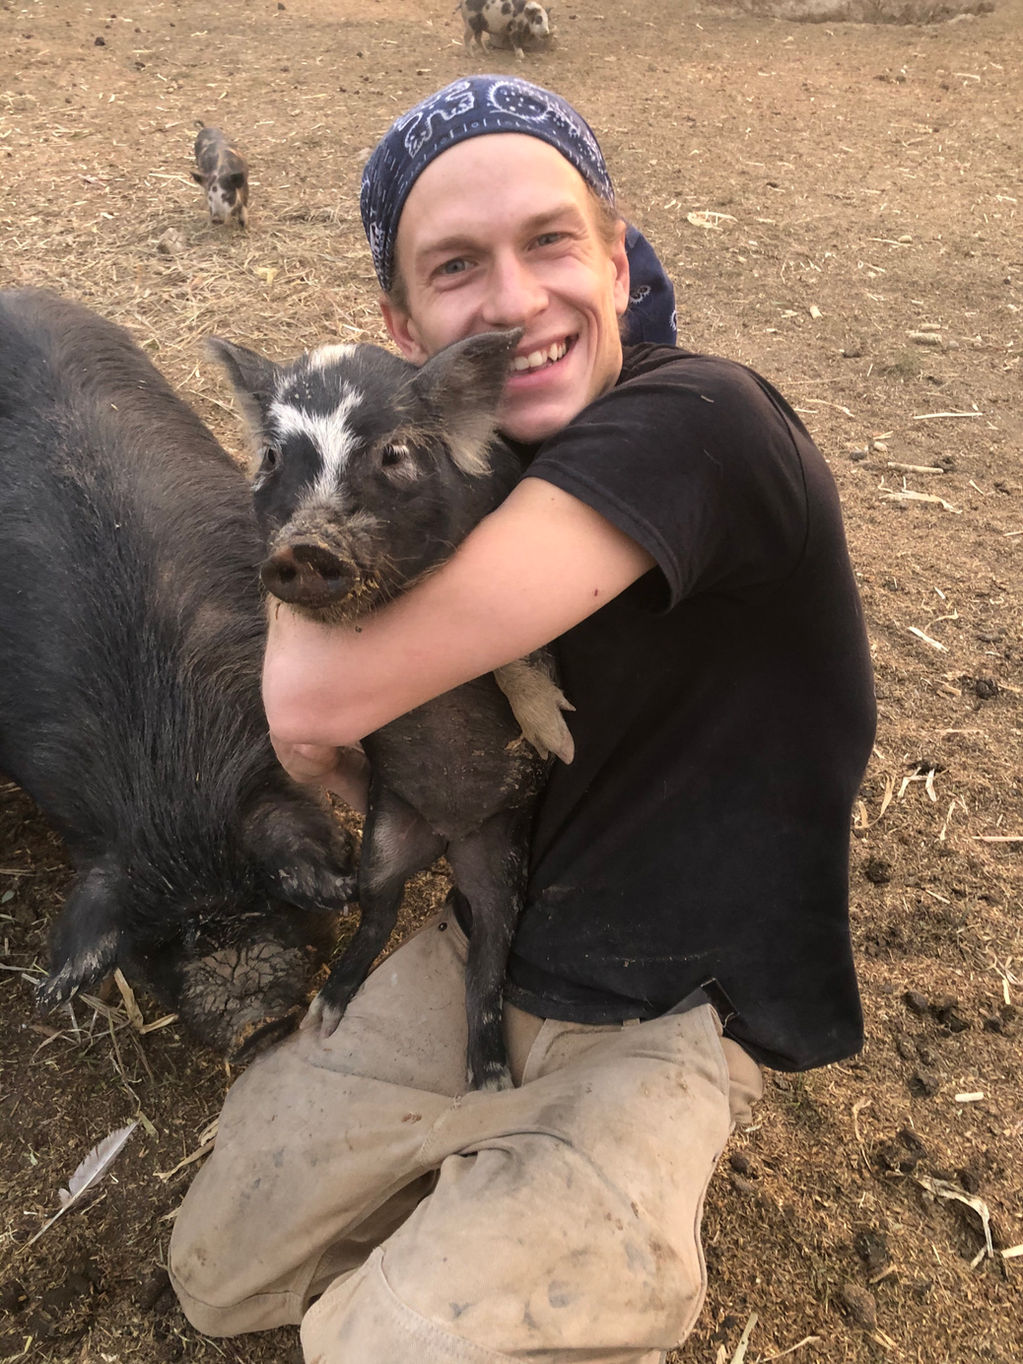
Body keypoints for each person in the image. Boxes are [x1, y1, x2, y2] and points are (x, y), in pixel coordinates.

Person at [169, 75, 876, 1363]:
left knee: (386, 1346)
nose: (512, 297)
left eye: (550, 241)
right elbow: (312, 505)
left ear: (617, 257)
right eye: (455, 265)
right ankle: (480, 1163)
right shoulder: (460, 453)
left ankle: (573, 1185)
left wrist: (317, 517)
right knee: (216, 1273)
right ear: (412, 332)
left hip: (667, 1001)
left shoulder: (701, 420)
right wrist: (357, 445)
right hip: (499, 926)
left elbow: (316, 694)